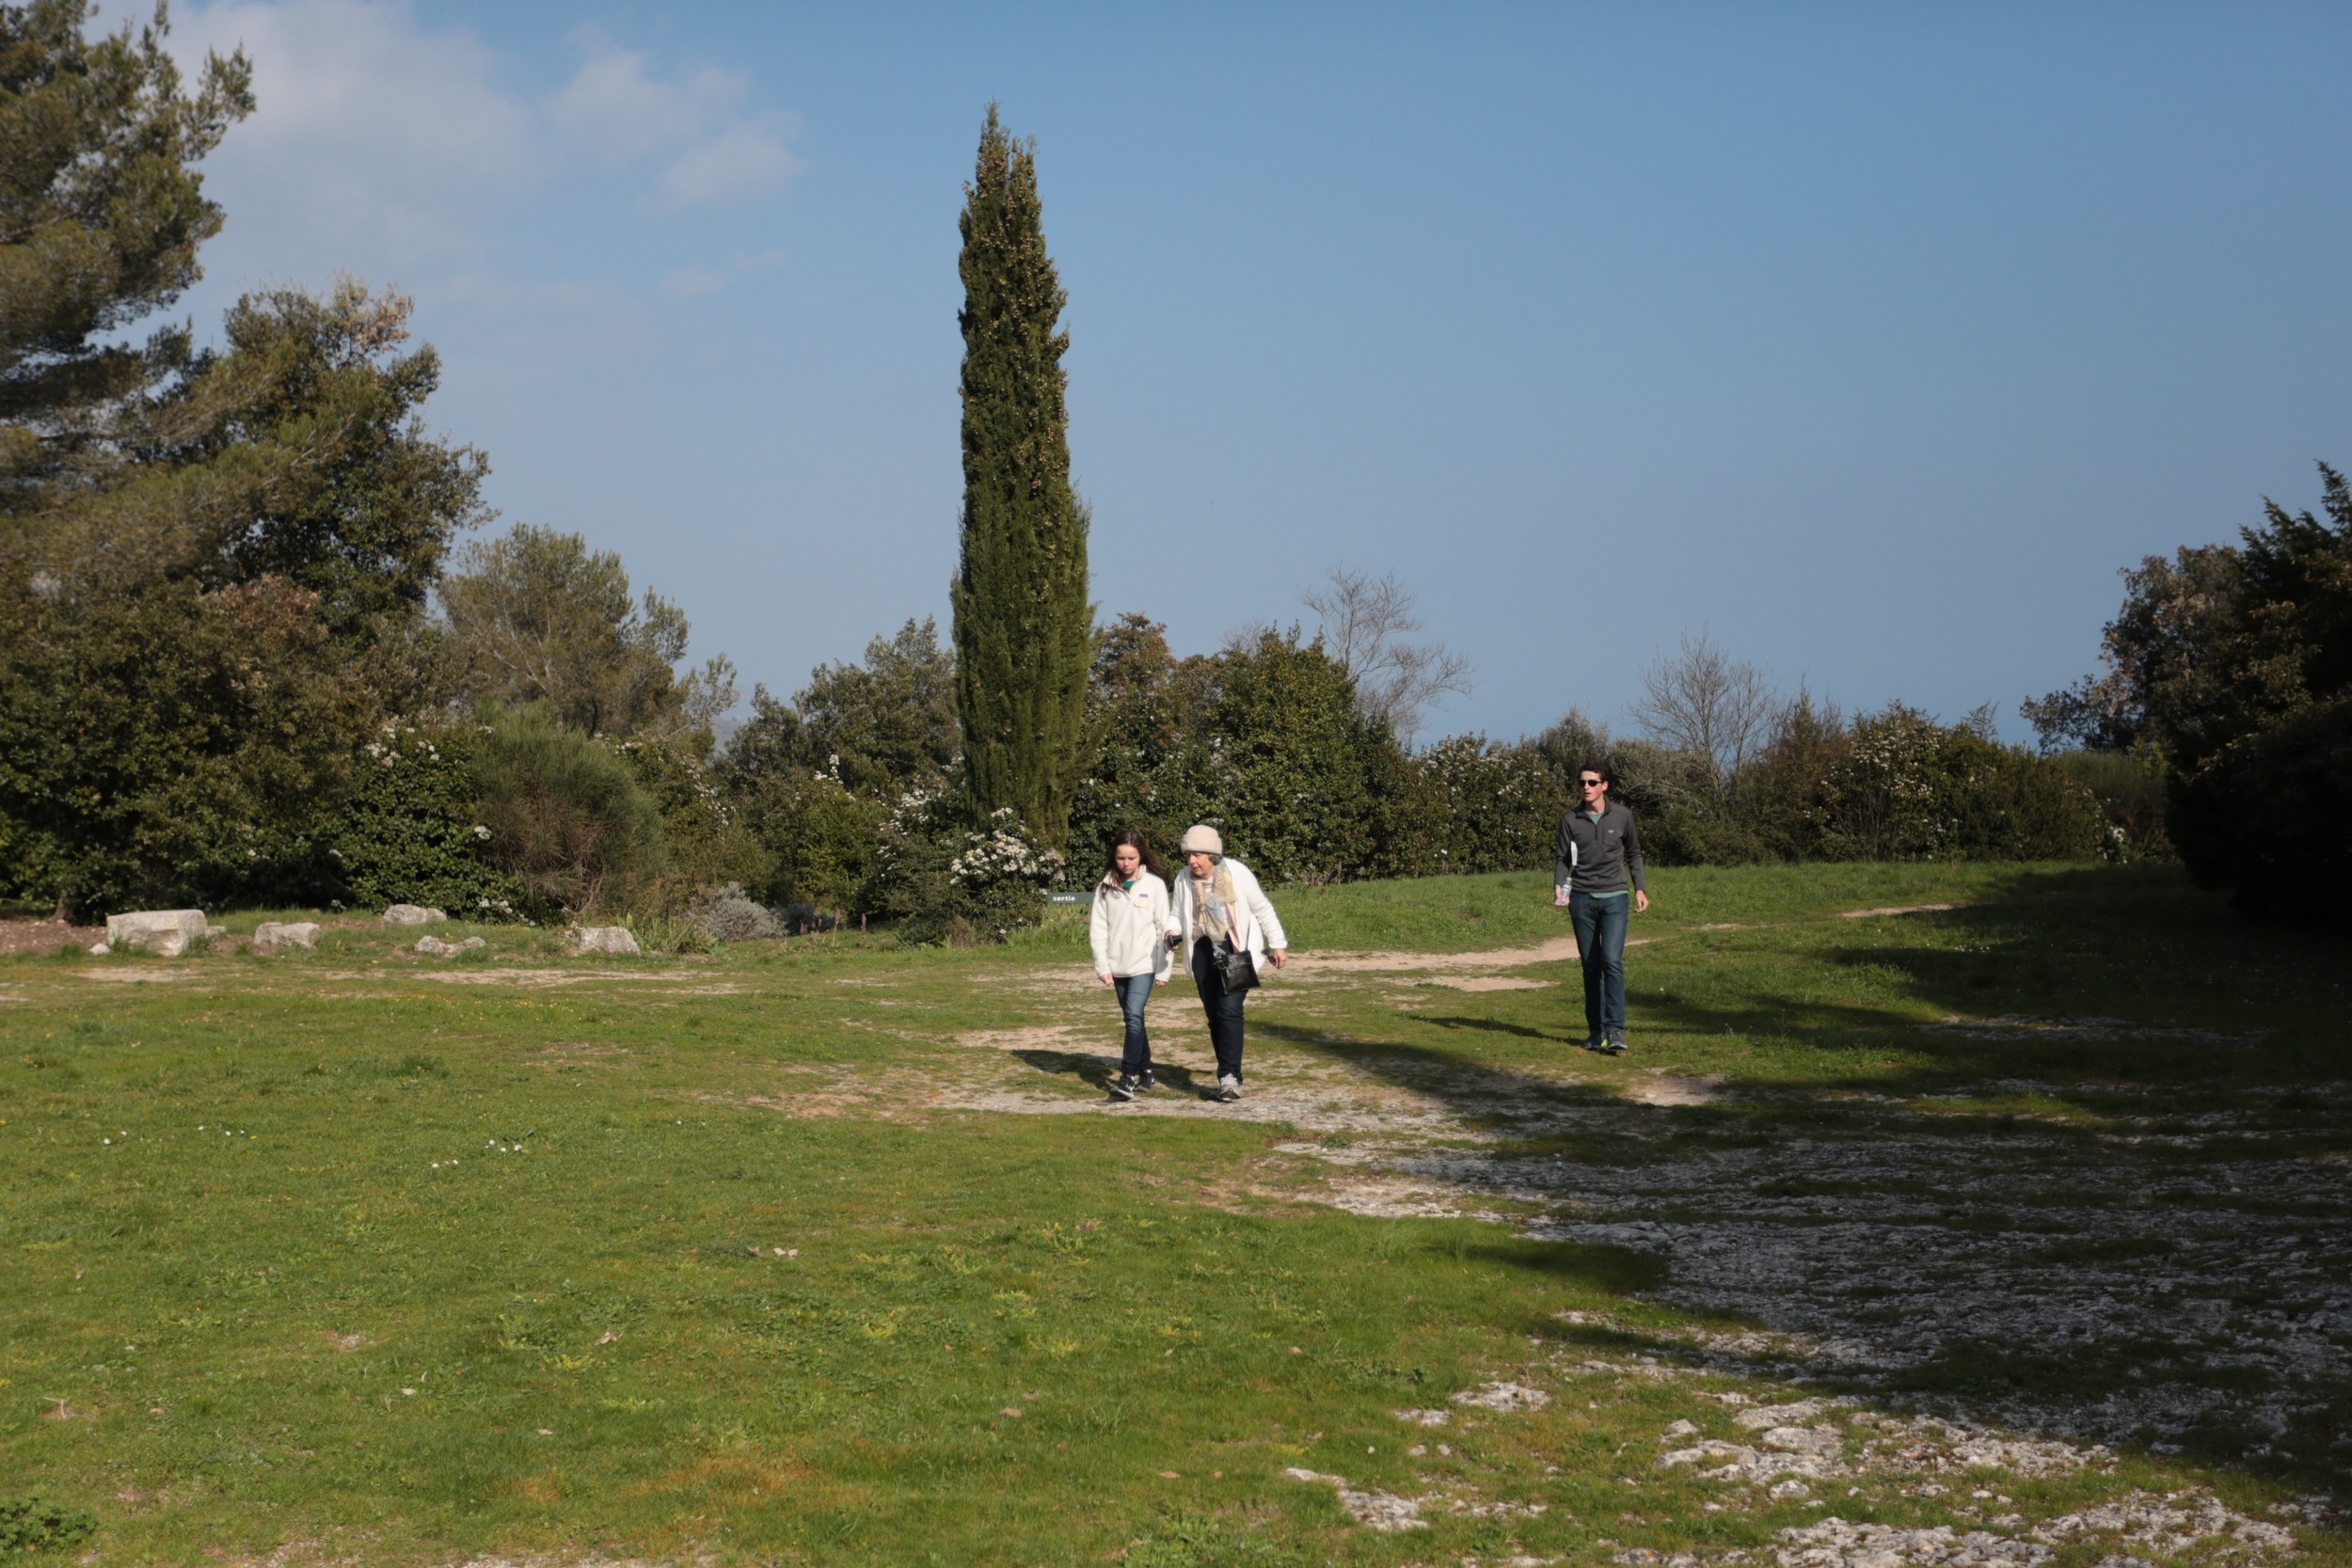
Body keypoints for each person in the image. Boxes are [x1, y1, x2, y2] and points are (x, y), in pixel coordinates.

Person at [1168, 824, 1287, 1102]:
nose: (1191, 861)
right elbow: (1176, 914)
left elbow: (1262, 908)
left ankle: (1230, 1077)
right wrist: (1170, 931)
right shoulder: (1184, 879)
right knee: (1215, 1016)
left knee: (1230, 1010)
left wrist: (1278, 943)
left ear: (1213, 855)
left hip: (1235, 948)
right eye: (1188, 855)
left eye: (1197, 855)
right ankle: (1227, 1073)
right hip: (1202, 949)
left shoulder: (1237, 873)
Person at [1553, 761, 1649, 1054]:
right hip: (1581, 899)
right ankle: (1596, 1032)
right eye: (1582, 782)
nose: (1586, 787)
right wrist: (1559, 885)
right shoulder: (1570, 819)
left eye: (1592, 782)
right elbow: (1562, 858)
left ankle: (1615, 1029)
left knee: (1612, 960)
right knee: (1591, 966)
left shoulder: (1622, 816)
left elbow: (1633, 852)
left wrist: (1640, 888)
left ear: (1604, 785)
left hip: (1615, 897)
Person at [1089, 831, 1180, 1101]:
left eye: (1131, 858)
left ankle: (1127, 1076)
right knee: (1134, 1019)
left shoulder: (1154, 885)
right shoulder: (1105, 886)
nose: (1125, 863)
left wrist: (1164, 968)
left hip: (1145, 965)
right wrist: (1102, 966)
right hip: (1116, 967)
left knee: (1132, 1016)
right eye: (1120, 858)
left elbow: (1165, 927)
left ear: (1141, 856)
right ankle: (1147, 1071)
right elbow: (1098, 929)